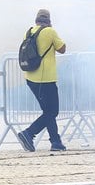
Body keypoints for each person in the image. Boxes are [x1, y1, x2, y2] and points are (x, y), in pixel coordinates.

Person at [15, 9, 67, 152]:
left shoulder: (30, 31)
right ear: (48, 20)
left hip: (31, 77)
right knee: (52, 111)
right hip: (46, 79)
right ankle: (28, 133)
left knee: (48, 111)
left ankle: (56, 142)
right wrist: (51, 30)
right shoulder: (50, 32)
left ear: (36, 20)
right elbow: (62, 48)